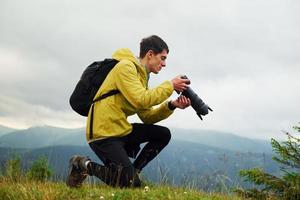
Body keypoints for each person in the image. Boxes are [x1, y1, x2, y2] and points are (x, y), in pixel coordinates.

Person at [66, 35, 191, 188]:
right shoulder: (126, 67)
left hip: (121, 129)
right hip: (103, 133)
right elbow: (141, 99)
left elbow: (146, 116)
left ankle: (133, 172)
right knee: (130, 185)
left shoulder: (142, 77)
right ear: (150, 54)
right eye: (162, 58)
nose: (164, 64)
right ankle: (82, 164)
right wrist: (170, 85)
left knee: (163, 134)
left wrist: (172, 105)